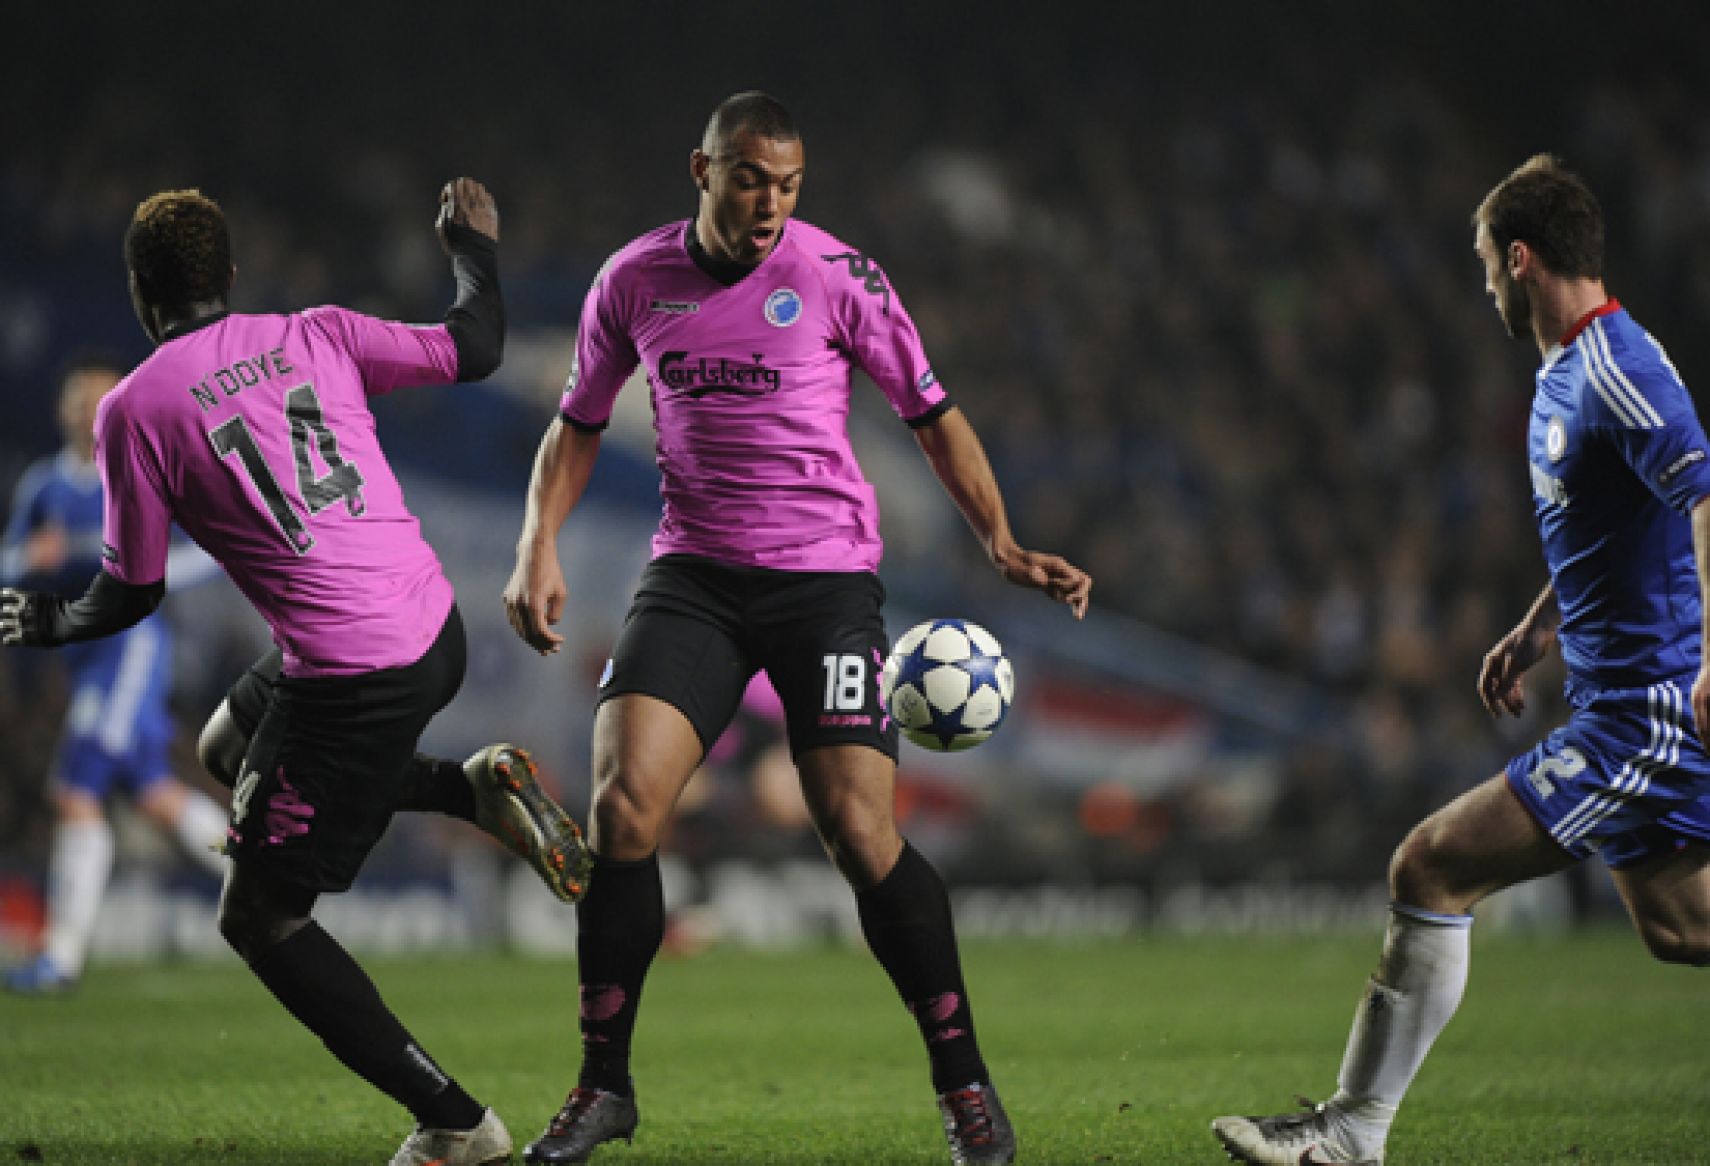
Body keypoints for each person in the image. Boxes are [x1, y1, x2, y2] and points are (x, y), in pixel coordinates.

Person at [502, 90, 1092, 1166]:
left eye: (788, 184)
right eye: (749, 179)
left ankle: (964, 1085)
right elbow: (576, 426)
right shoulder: (633, 281)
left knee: (862, 836)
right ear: (703, 169)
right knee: (623, 806)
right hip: (692, 576)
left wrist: (1000, 540)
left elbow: (932, 414)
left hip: (823, 585)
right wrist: (538, 541)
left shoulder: (837, 276)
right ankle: (602, 1085)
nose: (770, 202)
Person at [0, 179, 594, 1166]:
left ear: (141, 292)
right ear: (230, 278)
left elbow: (128, 592)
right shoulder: (314, 330)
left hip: (351, 674)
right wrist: (472, 245)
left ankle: (456, 1121)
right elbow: (475, 346)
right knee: (223, 744)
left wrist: (45, 618)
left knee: (260, 912)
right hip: (428, 625)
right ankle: (469, 786)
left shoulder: (133, 409)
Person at [1212, 154, 1710, 1165]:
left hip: (1646, 708)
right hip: (1615, 694)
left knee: (1429, 864)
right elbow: (1609, 528)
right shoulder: (1564, 369)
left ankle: (1350, 1131)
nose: (1482, 280)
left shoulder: (1617, 365)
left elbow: (1706, 496)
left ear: (1521, 258)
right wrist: (1540, 623)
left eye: (1486, 259)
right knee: (1678, 926)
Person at [2, 356, 229, 995]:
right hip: (85, 659)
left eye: (100, 403)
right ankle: (272, 888)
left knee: (73, 793)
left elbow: (206, 554)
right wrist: (30, 559)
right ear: (62, 410)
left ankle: (61, 957)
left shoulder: (143, 476)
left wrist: (140, 574)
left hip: (129, 648)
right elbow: (10, 566)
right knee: (157, 796)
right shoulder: (44, 485)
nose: (87, 413)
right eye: (78, 401)